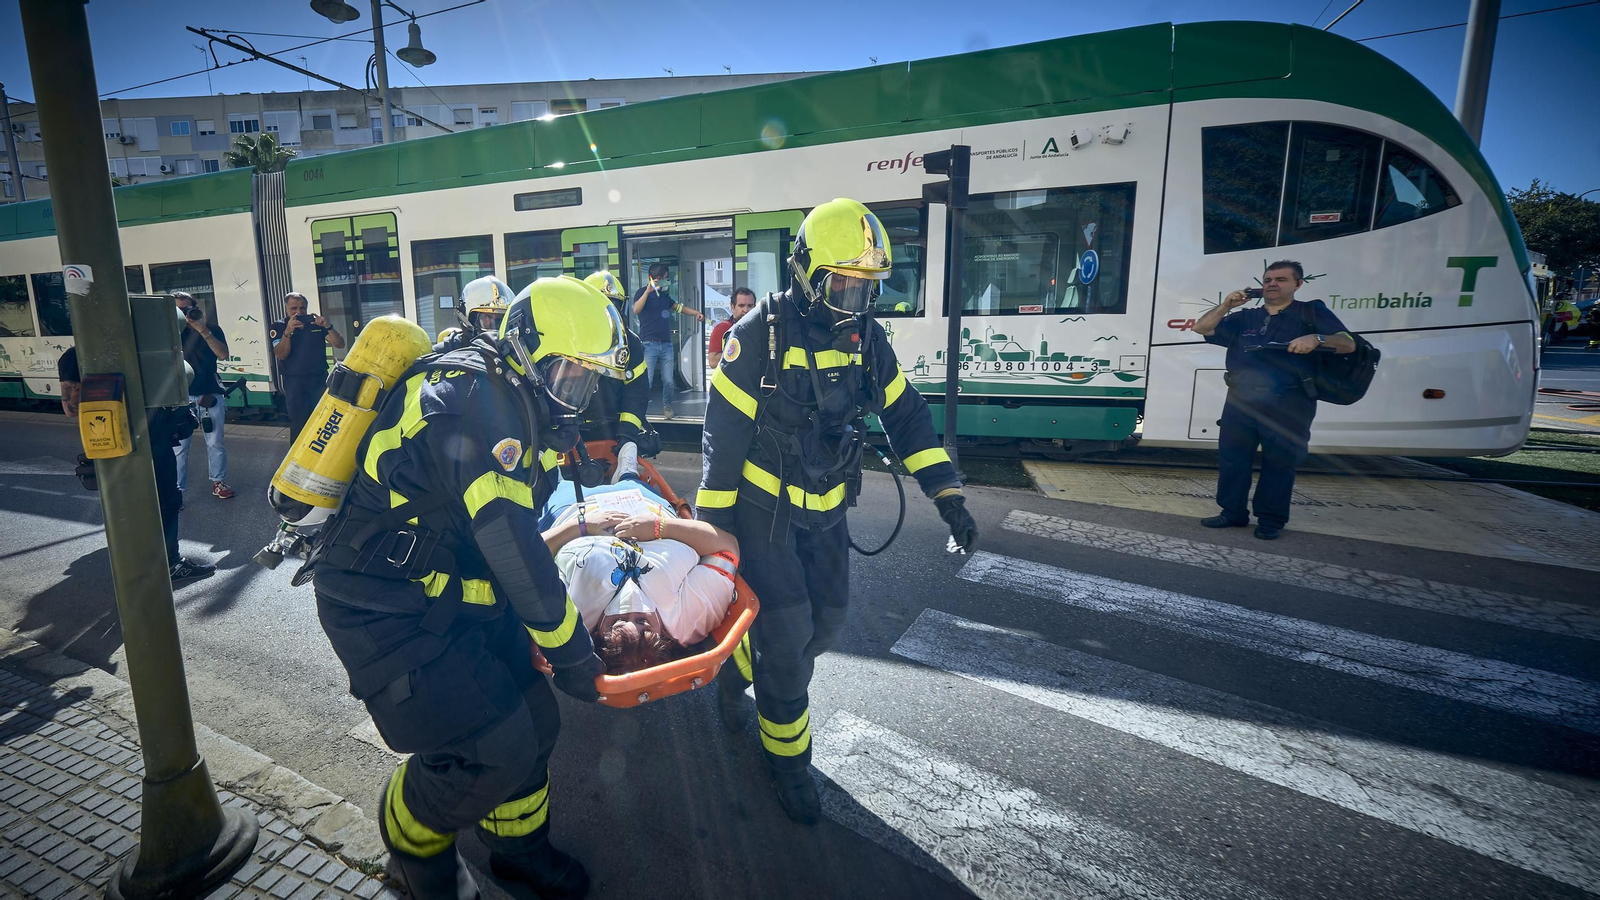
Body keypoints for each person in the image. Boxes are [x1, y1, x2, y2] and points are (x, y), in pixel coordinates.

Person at [310, 276, 627, 900]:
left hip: (450, 592)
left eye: (586, 379)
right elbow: (512, 546)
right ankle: (411, 842)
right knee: (490, 747)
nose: (577, 393)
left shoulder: (514, 395)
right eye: (568, 375)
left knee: (535, 722)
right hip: (381, 603)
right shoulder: (479, 408)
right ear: (528, 352)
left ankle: (518, 853)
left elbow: (518, 538)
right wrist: (574, 655)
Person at [695, 198, 979, 824]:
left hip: (827, 515)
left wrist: (947, 493)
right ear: (804, 273)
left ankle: (741, 664)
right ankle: (788, 762)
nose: (854, 298)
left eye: (864, 286)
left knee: (828, 625)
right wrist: (714, 536)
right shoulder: (754, 337)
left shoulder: (867, 340)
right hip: (764, 516)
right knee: (792, 636)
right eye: (842, 283)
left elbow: (905, 415)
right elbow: (722, 443)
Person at [1193, 260, 1356, 540]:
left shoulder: (1311, 311)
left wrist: (1316, 338)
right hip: (1240, 400)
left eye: (1281, 279)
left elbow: (1348, 343)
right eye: (1268, 279)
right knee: (1233, 460)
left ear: (1297, 284)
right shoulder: (1245, 317)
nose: (1272, 284)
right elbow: (1202, 328)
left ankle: (1270, 519)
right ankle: (1232, 512)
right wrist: (1226, 306)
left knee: (1279, 462)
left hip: (1289, 402)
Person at [538, 448, 738, 674]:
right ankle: (626, 469)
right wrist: (659, 527)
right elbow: (727, 546)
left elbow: (527, 560)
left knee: (551, 482)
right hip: (644, 504)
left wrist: (579, 527)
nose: (633, 604)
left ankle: (556, 462)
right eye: (644, 623)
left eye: (618, 621)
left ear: (595, 634)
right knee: (631, 480)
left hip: (571, 510)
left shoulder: (573, 620)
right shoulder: (689, 618)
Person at [58, 345, 214, 585]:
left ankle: (136, 564)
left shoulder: (74, 356)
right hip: (150, 442)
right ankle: (170, 563)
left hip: (114, 446)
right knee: (166, 503)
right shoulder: (140, 345)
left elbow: (70, 409)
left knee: (128, 506)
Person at [172, 292, 234, 502]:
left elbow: (223, 354)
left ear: (195, 308)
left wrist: (202, 329)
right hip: (181, 396)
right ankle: (177, 490)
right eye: (179, 311)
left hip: (209, 394)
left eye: (188, 309)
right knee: (179, 447)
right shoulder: (168, 334)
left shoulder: (212, 330)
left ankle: (219, 482)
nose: (185, 314)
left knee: (215, 442)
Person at [580, 271, 651, 449]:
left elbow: (637, 392)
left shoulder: (630, 342)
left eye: (614, 305)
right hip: (573, 432)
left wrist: (627, 436)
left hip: (614, 431)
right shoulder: (570, 338)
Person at [631, 262, 705, 420]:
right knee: (647, 380)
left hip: (666, 344)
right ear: (656, 278)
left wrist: (696, 313)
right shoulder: (641, 293)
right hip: (648, 344)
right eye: (665, 278)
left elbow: (678, 308)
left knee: (669, 381)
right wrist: (647, 291)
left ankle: (667, 406)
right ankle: (639, 410)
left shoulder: (664, 297)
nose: (667, 281)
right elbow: (636, 309)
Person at [271, 292, 346, 441]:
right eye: (294, 308)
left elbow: (339, 344)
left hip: (319, 379)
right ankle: (296, 462)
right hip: (295, 382)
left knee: (321, 422)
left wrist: (328, 326)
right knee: (299, 424)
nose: (298, 312)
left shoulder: (314, 323)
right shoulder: (279, 326)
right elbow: (281, 354)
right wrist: (288, 332)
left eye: (302, 308)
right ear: (286, 309)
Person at [434, 276, 513, 354]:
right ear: (469, 319)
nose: (494, 325)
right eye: (488, 316)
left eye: (501, 319)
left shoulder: (515, 352)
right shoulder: (445, 353)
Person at [709, 287, 756, 368]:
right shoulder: (722, 328)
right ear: (732, 307)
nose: (746, 310)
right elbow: (713, 362)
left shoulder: (760, 329)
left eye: (750, 306)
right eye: (741, 306)